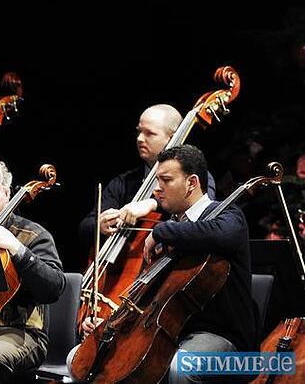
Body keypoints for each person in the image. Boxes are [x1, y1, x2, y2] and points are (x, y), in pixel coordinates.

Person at [74, 145, 256, 383]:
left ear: (191, 183)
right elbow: (147, 298)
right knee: (78, 359)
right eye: (157, 179)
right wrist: (112, 324)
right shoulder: (172, 228)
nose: (157, 189)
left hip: (223, 340)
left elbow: (223, 233)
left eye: (166, 180)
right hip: (168, 333)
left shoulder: (226, 215)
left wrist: (160, 230)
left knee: (181, 368)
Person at [0, 155, 66, 383]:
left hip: (18, 331)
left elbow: (54, 288)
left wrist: (17, 249)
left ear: (7, 194)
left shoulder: (33, 235)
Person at [78, 104, 216, 246]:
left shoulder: (195, 177)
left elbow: (202, 210)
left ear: (173, 138)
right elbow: (84, 227)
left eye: (149, 133)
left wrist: (153, 203)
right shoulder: (124, 182)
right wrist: (100, 225)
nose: (139, 138)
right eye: (139, 132)